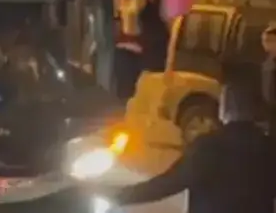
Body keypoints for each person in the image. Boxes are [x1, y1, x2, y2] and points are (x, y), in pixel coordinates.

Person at [92, 78, 276, 213]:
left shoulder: (209, 146)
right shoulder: (269, 147)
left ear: (224, 110)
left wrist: (119, 195)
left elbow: (169, 183)